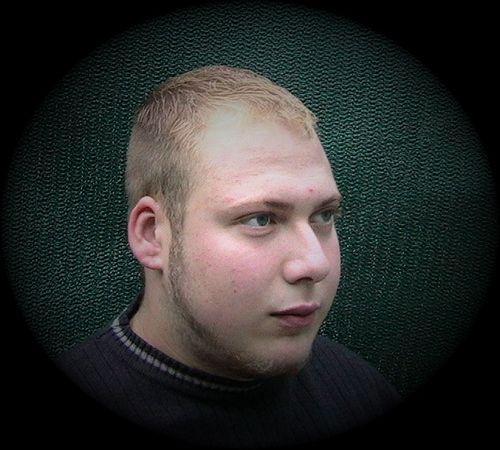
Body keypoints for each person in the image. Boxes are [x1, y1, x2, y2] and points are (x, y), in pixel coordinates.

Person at [57, 65, 400, 447]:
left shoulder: (356, 391)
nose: (315, 264)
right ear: (153, 234)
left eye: (323, 216)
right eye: (260, 220)